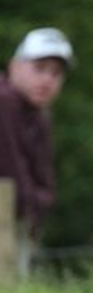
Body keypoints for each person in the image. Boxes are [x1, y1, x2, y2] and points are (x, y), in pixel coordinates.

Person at [0, 27, 74, 278]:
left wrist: (39, 202)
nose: (48, 80)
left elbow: (41, 174)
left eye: (56, 73)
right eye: (39, 68)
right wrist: (36, 204)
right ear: (14, 67)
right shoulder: (4, 102)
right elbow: (11, 169)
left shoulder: (37, 115)